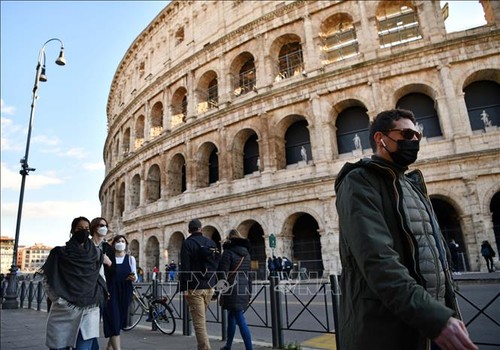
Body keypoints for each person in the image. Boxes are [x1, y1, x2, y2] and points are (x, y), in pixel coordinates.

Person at [335, 109, 477, 350]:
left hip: (427, 323)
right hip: (386, 329)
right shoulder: (359, 182)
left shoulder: (411, 184)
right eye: (407, 134)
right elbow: (378, 261)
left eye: (418, 136)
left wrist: (444, 311)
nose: (415, 141)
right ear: (381, 139)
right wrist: (434, 318)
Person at [39, 216, 108, 350]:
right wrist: (58, 299)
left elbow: (100, 277)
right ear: (73, 230)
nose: (84, 231)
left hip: (90, 307)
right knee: (60, 346)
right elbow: (48, 279)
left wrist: (100, 295)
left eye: (87, 229)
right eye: (80, 228)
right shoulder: (59, 253)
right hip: (64, 308)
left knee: (84, 347)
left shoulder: (96, 253)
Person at [179, 219, 217, 350]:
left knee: (199, 323)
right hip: (209, 286)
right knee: (201, 319)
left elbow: (185, 267)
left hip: (194, 287)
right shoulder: (211, 242)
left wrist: (184, 288)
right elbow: (216, 264)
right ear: (201, 229)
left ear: (189, 230)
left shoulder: (187, 243)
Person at [218, 229, 253, 350]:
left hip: (232, 290)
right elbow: (249, 275)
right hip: (245, 289)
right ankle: (228, 345)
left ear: (229, 238)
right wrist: (250, 291)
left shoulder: (228, 252)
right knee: (231, 317)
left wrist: (220, 290)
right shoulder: (247, 253)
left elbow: (222, 273)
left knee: (240, 319)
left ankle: (249, 348)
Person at [103, 235, 137, 350]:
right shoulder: (108, 259)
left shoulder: (130, 259)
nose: (120, 243)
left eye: (123, 241)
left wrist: (133, 278)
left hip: (125, 292)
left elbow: (135, 275)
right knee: (114, 320)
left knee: (117, 323)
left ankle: (108, 348)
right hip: (111, 292)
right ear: (113, 244)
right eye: (118, 241)